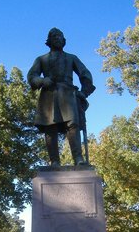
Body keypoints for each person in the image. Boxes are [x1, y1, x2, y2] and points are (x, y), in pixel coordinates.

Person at [27, 28, 96, 167]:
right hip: (48, 96)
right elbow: (31, 76)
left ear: (64, 41)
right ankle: (54, 161)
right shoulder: (41, 59)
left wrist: (84, 92)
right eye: (55, 36)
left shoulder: (71, 58)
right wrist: (41, 81)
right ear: (49, 40)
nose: (58, 39)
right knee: (50, 128)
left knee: (73, 126)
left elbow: (85, 74)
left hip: (68, 95)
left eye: (60, 37)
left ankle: (78, 158)